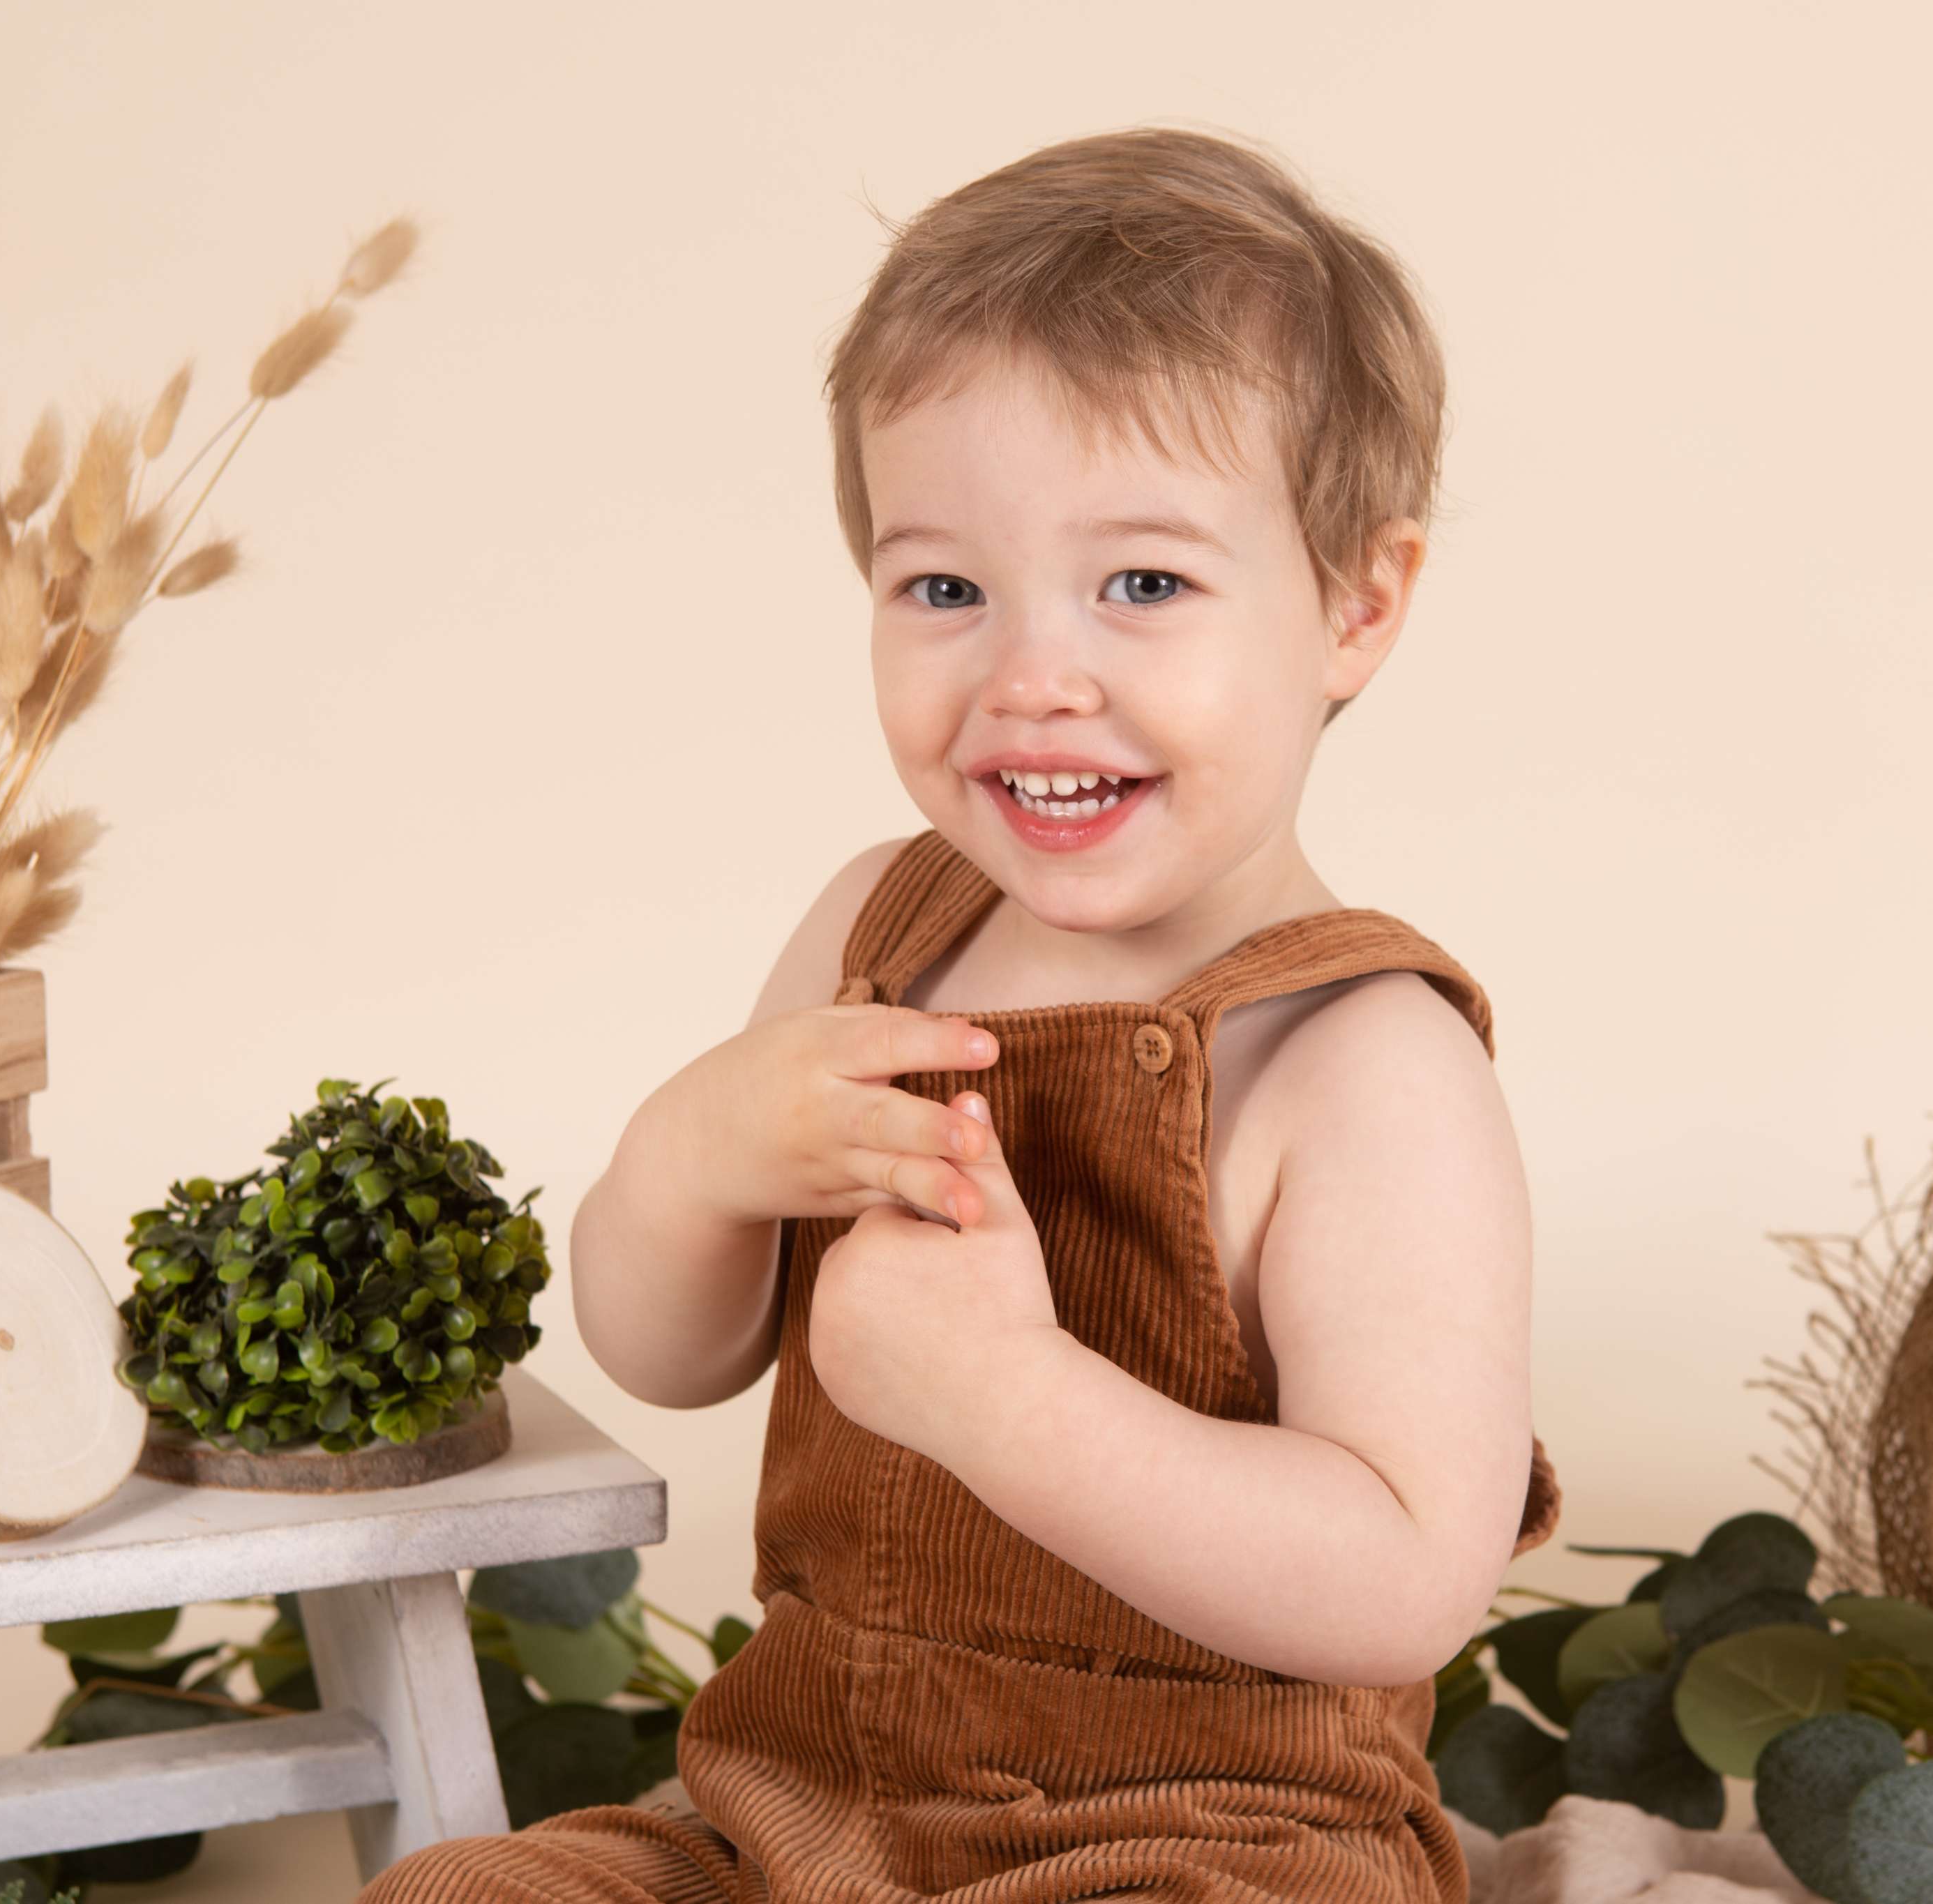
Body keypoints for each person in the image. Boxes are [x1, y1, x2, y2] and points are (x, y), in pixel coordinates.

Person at [359, 123, 1558, 1904]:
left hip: (1208, 1840)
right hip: (795, 1810)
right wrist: (689, 1159)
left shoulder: (1364, 1061)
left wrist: (1004, 1395)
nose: (1029, 677)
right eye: (944, 589)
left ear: (1354, 607)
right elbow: (666, 1351)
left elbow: (1401, 1572)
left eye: (1141, 584)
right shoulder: (878, 928)